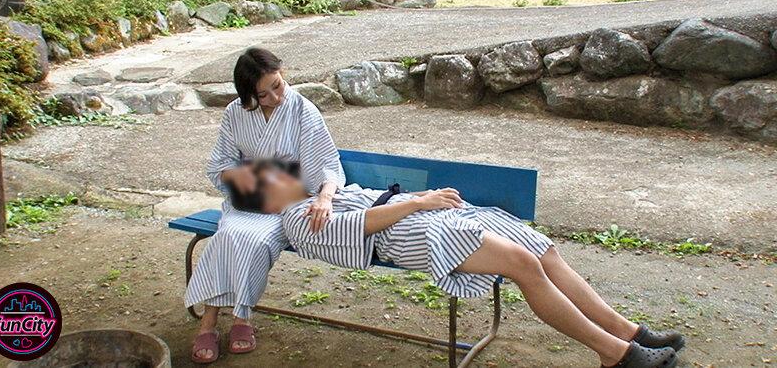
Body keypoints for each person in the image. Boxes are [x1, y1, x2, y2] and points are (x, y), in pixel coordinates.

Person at [243, 163, 685, 368]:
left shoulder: (322, 195)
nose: (286, 177)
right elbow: (363, 225)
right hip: (410, 236)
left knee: (542, 250)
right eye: (273, 180)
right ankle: (615, 355)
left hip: (429, 215)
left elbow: (362, 195)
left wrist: (422, 198)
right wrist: (420, 203)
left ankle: (627, 331)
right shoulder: (294, 219)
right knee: (522, 263)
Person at [186, 47, 346, 364]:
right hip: (250, 195)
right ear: (248, 95)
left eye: (277, 85)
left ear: (282, 74)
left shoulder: (303, 110)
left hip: (289, 201)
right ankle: (210, 321)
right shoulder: (235, 113)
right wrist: (251, 180)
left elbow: (328, 164)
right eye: (263, 94)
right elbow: (220, 164)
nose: (275, 97)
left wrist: (325, 197)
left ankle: (240, 317)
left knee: (256, 241)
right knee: (227, 236)